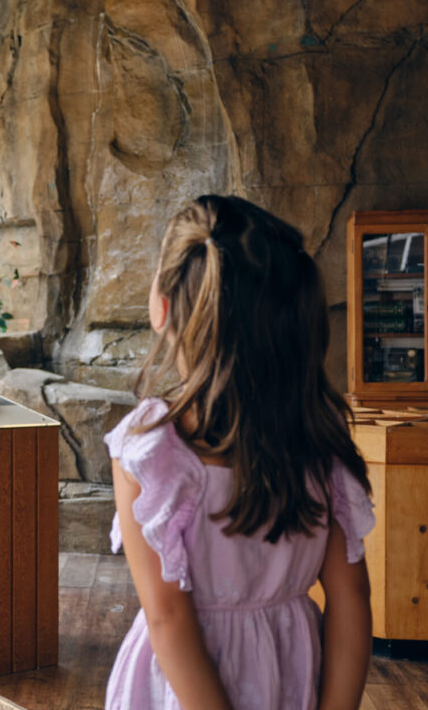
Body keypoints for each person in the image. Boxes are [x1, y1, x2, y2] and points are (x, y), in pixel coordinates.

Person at [104, 195, 374, 710]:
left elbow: (168, 619)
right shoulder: (318, 442)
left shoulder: (151, 452)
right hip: (288, 678)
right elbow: (350, 599)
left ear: (160, 308)